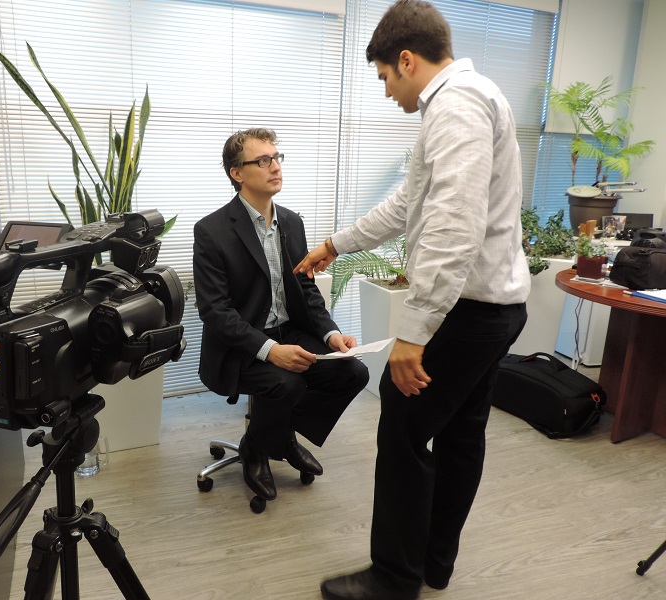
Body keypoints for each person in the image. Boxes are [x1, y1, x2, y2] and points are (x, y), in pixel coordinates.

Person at [294, 2, 530, 599]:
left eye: (383, 78)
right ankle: (434, 564)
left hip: (469, 313)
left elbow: (454, 223)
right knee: (459, 433)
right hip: (492, 309)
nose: (385, 92)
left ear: (406, 59)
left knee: (403, 429)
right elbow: (410, 205)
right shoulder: (469, 100)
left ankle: (395, 579)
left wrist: (415, 332)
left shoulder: (455, 105)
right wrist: (335, 245)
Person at [193, 127, 369, 502]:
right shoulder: (211, 231)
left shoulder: (291, 222)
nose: (275, 167)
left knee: (353, 372)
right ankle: (259, 448)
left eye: (276, 158)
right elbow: (214, 310)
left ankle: (274, 434)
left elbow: (305, 289)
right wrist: (270, 350)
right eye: (263, 160)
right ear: (236, 173)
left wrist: (330, 335)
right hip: (239, 346)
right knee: (286, 383)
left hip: (288, 329)